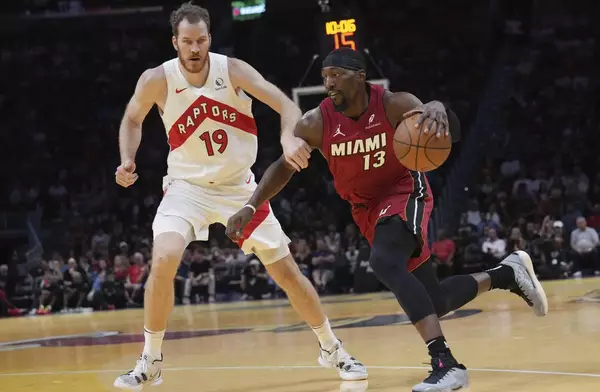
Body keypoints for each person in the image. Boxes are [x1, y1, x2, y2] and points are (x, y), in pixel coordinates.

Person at [226, 48, 548, 392]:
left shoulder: (394, 104)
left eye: (336, 75)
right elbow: (284, 167)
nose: (328, 83)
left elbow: (448, 131)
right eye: (324, 78)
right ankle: (506, 273)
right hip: (366, 210)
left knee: (382, 260)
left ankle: (446, 363)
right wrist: (251, 204)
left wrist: (436, 106)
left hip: (405, 191)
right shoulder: (316, 122)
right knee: (434, 301)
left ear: (360, 76)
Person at [112, 4, 367, 389]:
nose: (194, 48)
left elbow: (284, 104)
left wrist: (287, 136)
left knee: (287, 273)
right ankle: (150, 360)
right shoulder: (156, 79)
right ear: (175, 42)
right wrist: (127, 160)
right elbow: (132, 118)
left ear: (209, 39)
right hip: (186, 189)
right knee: (163, 257)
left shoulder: (232, 70)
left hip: (239, 190)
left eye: (201, 41)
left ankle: (332, 348)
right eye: (187, 42)